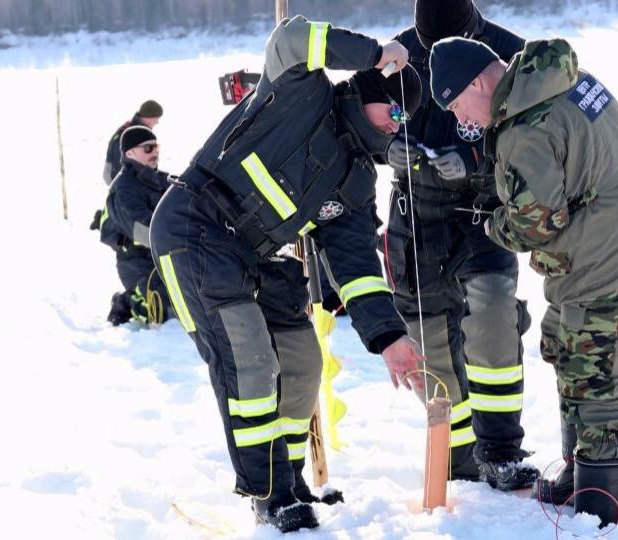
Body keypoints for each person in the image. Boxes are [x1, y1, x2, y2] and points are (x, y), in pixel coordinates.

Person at [149, 16, 423, 533]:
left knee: (301, 362)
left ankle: (289, 478)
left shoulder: (357, 179)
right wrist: (373, 51)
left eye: (404, 120)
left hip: (257, 255)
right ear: (367, 92)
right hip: (195, 229)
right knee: (249, 359)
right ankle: (267, 493)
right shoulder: (302, 88)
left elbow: (357, 267)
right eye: (395, 109)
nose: (396, 125)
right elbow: (292, 37)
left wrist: (389, 336)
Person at [429, 36, 618, 526]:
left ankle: (600, 508)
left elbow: (535, 225)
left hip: (613, 257)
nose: (465, 119)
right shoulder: (564, 80)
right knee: (564, 343)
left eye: (460, 103)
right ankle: (579, 471)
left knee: (593, 375)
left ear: (482, 80)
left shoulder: (524, 130)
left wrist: (492, 222)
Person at [381, 0, 539, 490]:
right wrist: (385, 147)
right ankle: (457, 452)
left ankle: (501, 450)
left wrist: (473, 158)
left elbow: (532, 135)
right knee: (430, 339)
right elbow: (360, 119)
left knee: (491, 314)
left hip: (482, 211)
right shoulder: (395, 55)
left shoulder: (510, 55)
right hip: (417, 214)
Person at [99, 125, 173, 326]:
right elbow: (141, 229)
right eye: (148, 148)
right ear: (130, 152)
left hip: (165, 253)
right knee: (162, 311)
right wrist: (177, 237)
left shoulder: (165, 180)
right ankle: (126, 302)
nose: (155, 152)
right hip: (136, 261)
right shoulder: (122, 188)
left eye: (156, 147)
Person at [102, 100, 163, 184]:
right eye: (156, 118)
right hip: (123, 183)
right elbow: (121, 163)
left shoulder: (129, 128)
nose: (157, 122)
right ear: (149, 116)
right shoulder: (133, 135)